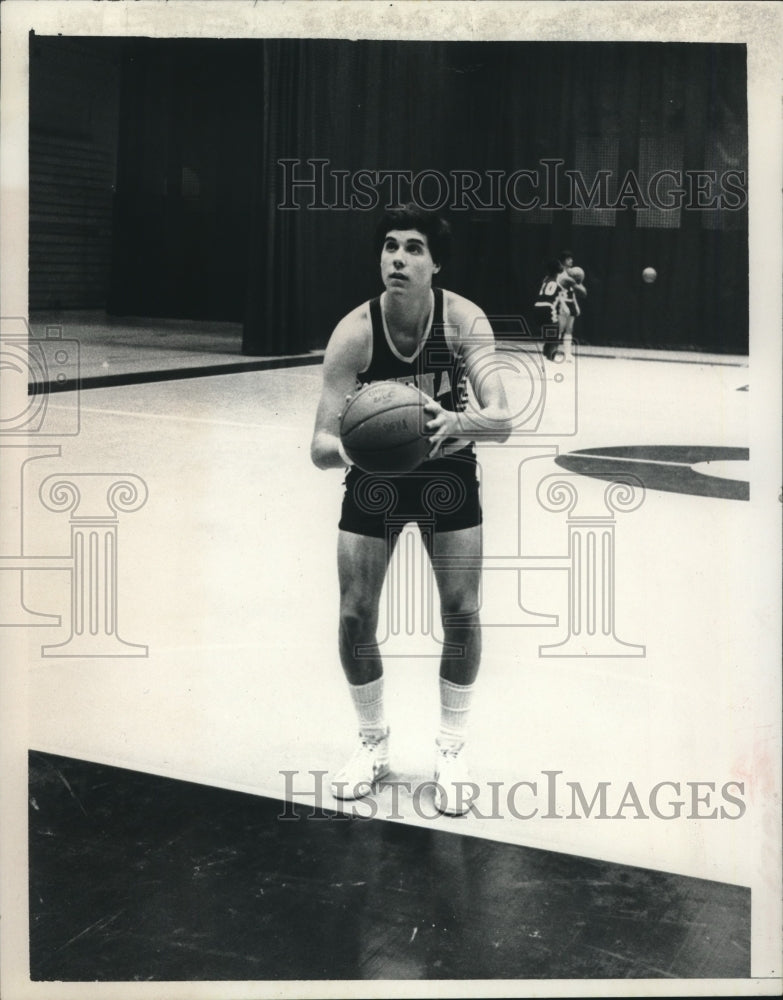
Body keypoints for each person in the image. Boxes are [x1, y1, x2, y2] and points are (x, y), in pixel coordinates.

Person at [311, 204, 512, 815]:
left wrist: (456, 421)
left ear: (436, 263)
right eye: (390, 247)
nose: (398, 258)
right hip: (375, 477)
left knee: (461, 610)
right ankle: (372, 745)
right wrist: (361, 448)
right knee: (353, 615)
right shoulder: (355, 333)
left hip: (446, 469)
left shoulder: (462, 321)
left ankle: (451, 749)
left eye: (414, 248)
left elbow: (501, 418)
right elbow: (319, 446)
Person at [534, 258, 568, 361]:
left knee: (550, 332)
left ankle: (546, 350)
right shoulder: (560, 281)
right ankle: (550, 356)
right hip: (548, 307)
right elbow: (561, 295)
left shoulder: (545, 279)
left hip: (537, 306)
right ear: (558, 269)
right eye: (560, 265)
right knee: (556, 333)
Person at [557, 249, 587, 357]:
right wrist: (563, 305)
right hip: (562, 301)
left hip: (570, 301)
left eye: (571, 259)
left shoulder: (574, 273)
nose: (571, 261)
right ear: (563, 261)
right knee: (560, 328)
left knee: (569, 328)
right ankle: (552, 350)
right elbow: (557, 291)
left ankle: (568, 353)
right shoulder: (560, 273)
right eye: (569, 259)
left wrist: (576, 305)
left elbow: (573, 291)